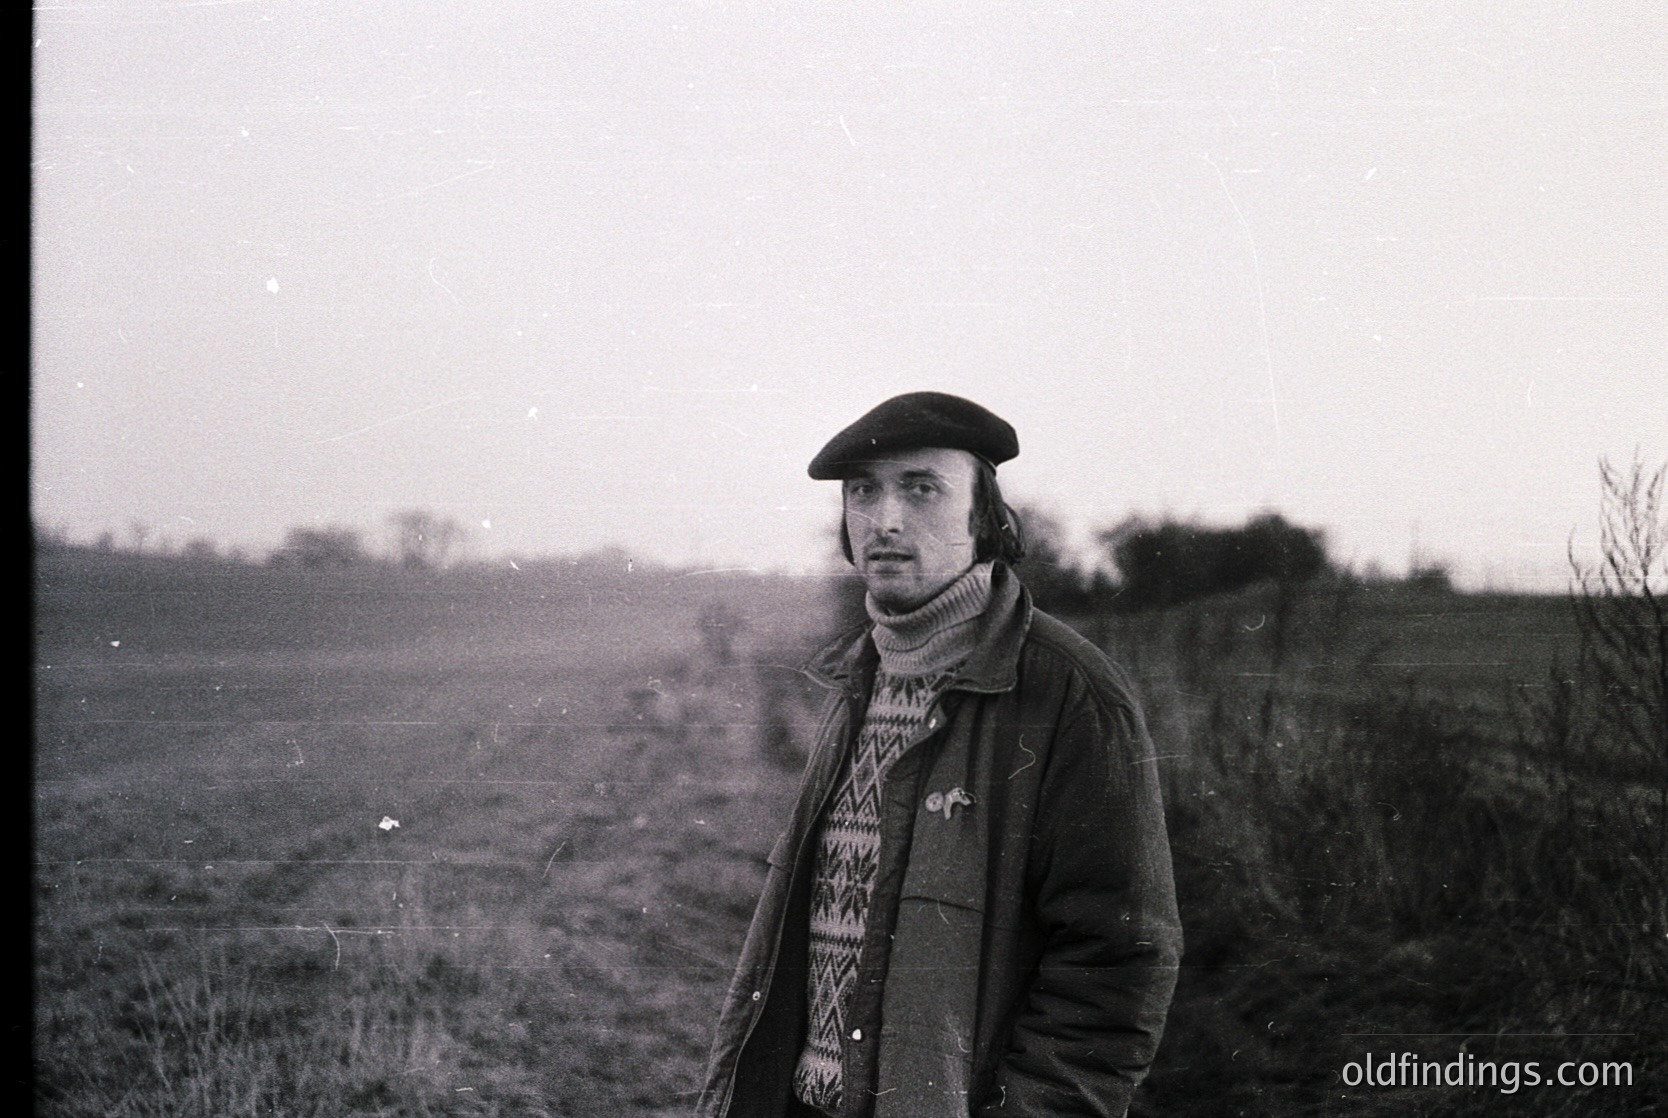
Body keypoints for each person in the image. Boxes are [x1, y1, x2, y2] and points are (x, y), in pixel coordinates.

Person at [696, 392, 1181, 1118]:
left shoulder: (1070, 695)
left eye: (922, 489)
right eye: (864, 491)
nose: (886, 518)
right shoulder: (854, 679)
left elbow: (1119, 962)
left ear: (984, 518)